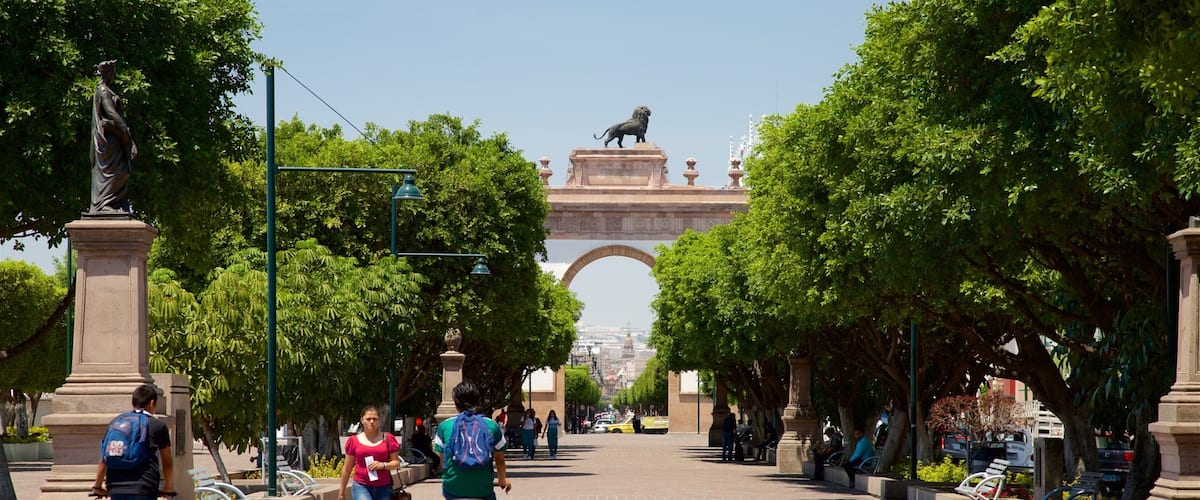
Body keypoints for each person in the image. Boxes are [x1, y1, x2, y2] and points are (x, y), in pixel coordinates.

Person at [92, 384, 174, 499]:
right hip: (144, 487)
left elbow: (104, 459)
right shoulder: (157, 425)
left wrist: (97, 486)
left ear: (133, 402)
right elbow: (167, 461)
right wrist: (168, 487)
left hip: (115, 487)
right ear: (152, 403)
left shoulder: (116, 422)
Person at [433, 382, 511, 499]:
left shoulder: (445, 426)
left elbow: (443, 460)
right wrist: (502, 479)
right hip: (482, 490)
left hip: (453, 489)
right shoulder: (491, 425)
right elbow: (500, 461)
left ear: (456, 402)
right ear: (477, 400)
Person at [90, 59, 137, 214]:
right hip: (108, 139)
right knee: (116, 171)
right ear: (107, 73)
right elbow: (110, 112)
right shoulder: (102, 90)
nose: (115, 75)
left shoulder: (108, 90)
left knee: (123, 170)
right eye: (113, 72)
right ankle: (104, 204)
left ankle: (114, 203)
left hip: (116, 137)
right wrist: (126, 132)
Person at [339, 406, 401, 500]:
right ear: (362, 420)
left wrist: (383, 465)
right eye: (368, 419)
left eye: (375, 419)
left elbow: (396, 463)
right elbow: (347, 469)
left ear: (379, 421)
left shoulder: (388, 438)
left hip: (384, 487)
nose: (372, 422)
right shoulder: (353, 441)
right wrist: (341, 493)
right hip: (361, 486)